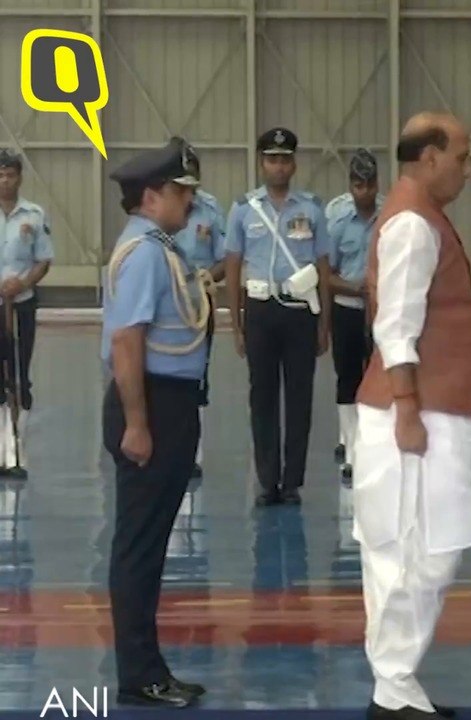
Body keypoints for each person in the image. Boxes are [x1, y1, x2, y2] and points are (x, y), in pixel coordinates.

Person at [352, 111, 471, 720]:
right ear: (430, 157)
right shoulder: (412, 224)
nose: (467, 169)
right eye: (462, 157)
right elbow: (395, 326)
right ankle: (393, 688)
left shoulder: (419, 215)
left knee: (420, 551)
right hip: (418, 416)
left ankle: (397, 685)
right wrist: (407, 410)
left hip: (432, 409)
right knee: (415, 551)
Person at [100, 141, 211, 708]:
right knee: (140, 547)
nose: (189, 200)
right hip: (152, 404)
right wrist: (138, 424)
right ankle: (139, 674)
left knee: (148, 544)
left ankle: (148, 666)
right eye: (179, 191)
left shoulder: (161, 249)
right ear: (151, 197)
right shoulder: (145, 254)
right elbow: (127, 341)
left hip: (170, 402)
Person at [224, 127, 332, 506]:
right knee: (262, 397)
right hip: (260, 311)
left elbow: (323, 268)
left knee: (300, 397)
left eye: (285, 160)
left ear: (294, 164)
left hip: (300, 312)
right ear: (261, 163)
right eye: (272, 159)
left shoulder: (312, 209)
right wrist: (236, 325)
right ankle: (268, 481)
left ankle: (292, 483)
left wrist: (324, 324)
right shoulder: (243, 209)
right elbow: (233, 267)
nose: (279, 166)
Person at [167, 138, 226, 478]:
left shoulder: (211, 210)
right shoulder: (158, 209)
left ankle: (194, 454)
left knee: (198, 376)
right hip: (165, 306)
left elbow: (224, 258)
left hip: (199, 306)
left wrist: (208, 277)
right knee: (166, 375)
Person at [326, 149, 382, 479]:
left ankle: (375, 445)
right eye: (358, 185)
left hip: (380, 310)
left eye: (370, 184)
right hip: (347, 308)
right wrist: (352, 288)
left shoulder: (389, 216)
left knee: (379, 378)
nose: (365, 191)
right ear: (350, 186)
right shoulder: (336, 220)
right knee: (347, 378)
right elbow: (326, 273)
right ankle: (350, 447)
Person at [0, 149, 54, 477]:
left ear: (20, 178)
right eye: (0, 175)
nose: (5, 181)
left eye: (10, 175)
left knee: (19, 377)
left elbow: (44, 260)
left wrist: (21, 283)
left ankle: (17, 453)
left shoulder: (34, 215)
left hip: (21, 304)